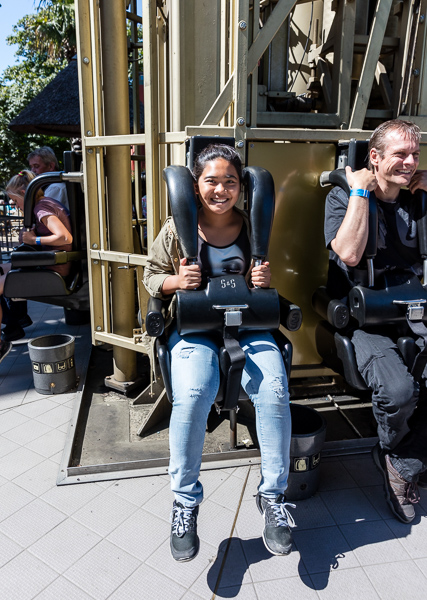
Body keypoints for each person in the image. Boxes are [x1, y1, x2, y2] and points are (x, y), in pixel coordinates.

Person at [143, 144, 295, 562]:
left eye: (230, 181)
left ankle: (273, 496)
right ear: (195, 185)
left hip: (247, 324)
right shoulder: (177, 228)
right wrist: (177, 281)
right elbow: (150, 278)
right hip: (196, 328)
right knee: (192, 396)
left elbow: (261, 283)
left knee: (275, 390)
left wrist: (262, 278)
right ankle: (185, 502)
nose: (221, 189)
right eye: (212, 181)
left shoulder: (251, 227)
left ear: (241, 187)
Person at [325, 119, 427, 523]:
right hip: (365, 320)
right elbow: (349, 253)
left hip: (413, 312)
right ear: (375, 157)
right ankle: (399, 461)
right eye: (400, 154)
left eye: (415, 154)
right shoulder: (343, 197)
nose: (409, 162)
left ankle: (409, 459)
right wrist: (360, 193)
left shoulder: (416, 200)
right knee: (399, 392)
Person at [0, 171, 73, 362]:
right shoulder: (43, 204)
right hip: (48, 263)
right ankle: (12, 325)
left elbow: (65, 237)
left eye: (15, 201)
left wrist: (35, 239)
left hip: (53, 268)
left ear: (25, 192)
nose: (15, 205)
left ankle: (3, 341)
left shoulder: (42, 208)